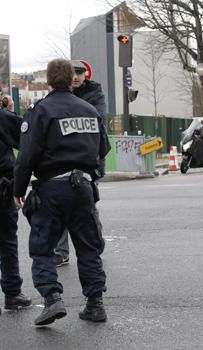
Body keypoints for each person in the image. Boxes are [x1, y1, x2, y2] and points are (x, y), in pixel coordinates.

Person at [13, 58, 111, 325]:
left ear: (47, 81)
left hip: (52, 187)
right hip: (84, 188)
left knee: (43, 247)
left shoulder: (41, 110)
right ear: (71, 80)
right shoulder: (90, 110)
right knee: (88, 247)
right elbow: (103, 149)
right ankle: (95, 304)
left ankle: (52, 299)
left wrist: (18, 189)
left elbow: (27, 155)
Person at [53, 60, 107, 268]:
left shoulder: (94, 94)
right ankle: (61, 252)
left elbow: (98, 123)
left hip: (86, 159)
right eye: (72, 73)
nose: (76, 77)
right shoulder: (60, 95)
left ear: (86, 75)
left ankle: (95, 243)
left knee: (87, 206)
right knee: (62, 208)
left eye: (80, 73)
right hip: (65, 158)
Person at [0, 97, 32, 315]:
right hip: (2, 188)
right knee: (7, 240)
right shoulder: (3, 118)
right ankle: (12, 292)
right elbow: (26, 140)